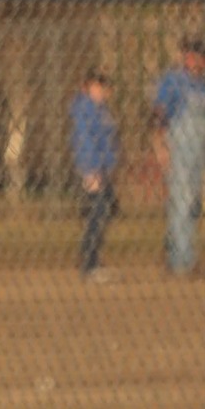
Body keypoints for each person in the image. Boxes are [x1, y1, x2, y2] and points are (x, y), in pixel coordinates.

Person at [153, 40, 205, 274]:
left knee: (192, 205)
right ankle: (182, 261)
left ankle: (176, 249)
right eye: (193, 55)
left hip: (200, 152)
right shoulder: (173, 80)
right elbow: (159, 115)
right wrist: (160, 147)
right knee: (182, 204)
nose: (197, 61)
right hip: (179, 149)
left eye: (201, 56)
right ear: (185, 57)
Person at [69, 70, 119, 278]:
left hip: (103, 168)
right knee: (96, 214)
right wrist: (92, 169)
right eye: (97, 87)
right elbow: (85, 142)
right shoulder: (85, 110)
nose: (102, 92)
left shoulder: (101, 110)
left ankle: (92, 258)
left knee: (102, 212)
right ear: (86, 88)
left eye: (104, 87)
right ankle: (89, 264)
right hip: (93, 169)